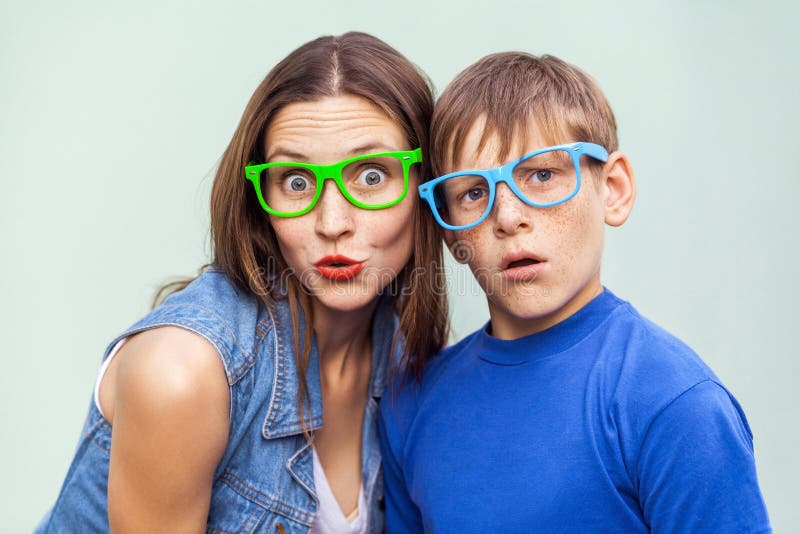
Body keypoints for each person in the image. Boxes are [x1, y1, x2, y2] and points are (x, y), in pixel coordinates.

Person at [36, 32, 448, 534]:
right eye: (296, 181)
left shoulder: (408, 355)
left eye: (371, 175)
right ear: (260, 203)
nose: (332, 221)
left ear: (427, 185)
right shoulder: (182, 371)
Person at [379, 52, 771, 532]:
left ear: (614, 188)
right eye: (473, 193)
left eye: (542, 175)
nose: (508, 217)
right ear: (450, 233)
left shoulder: (674, 403)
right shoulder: (410, 406)